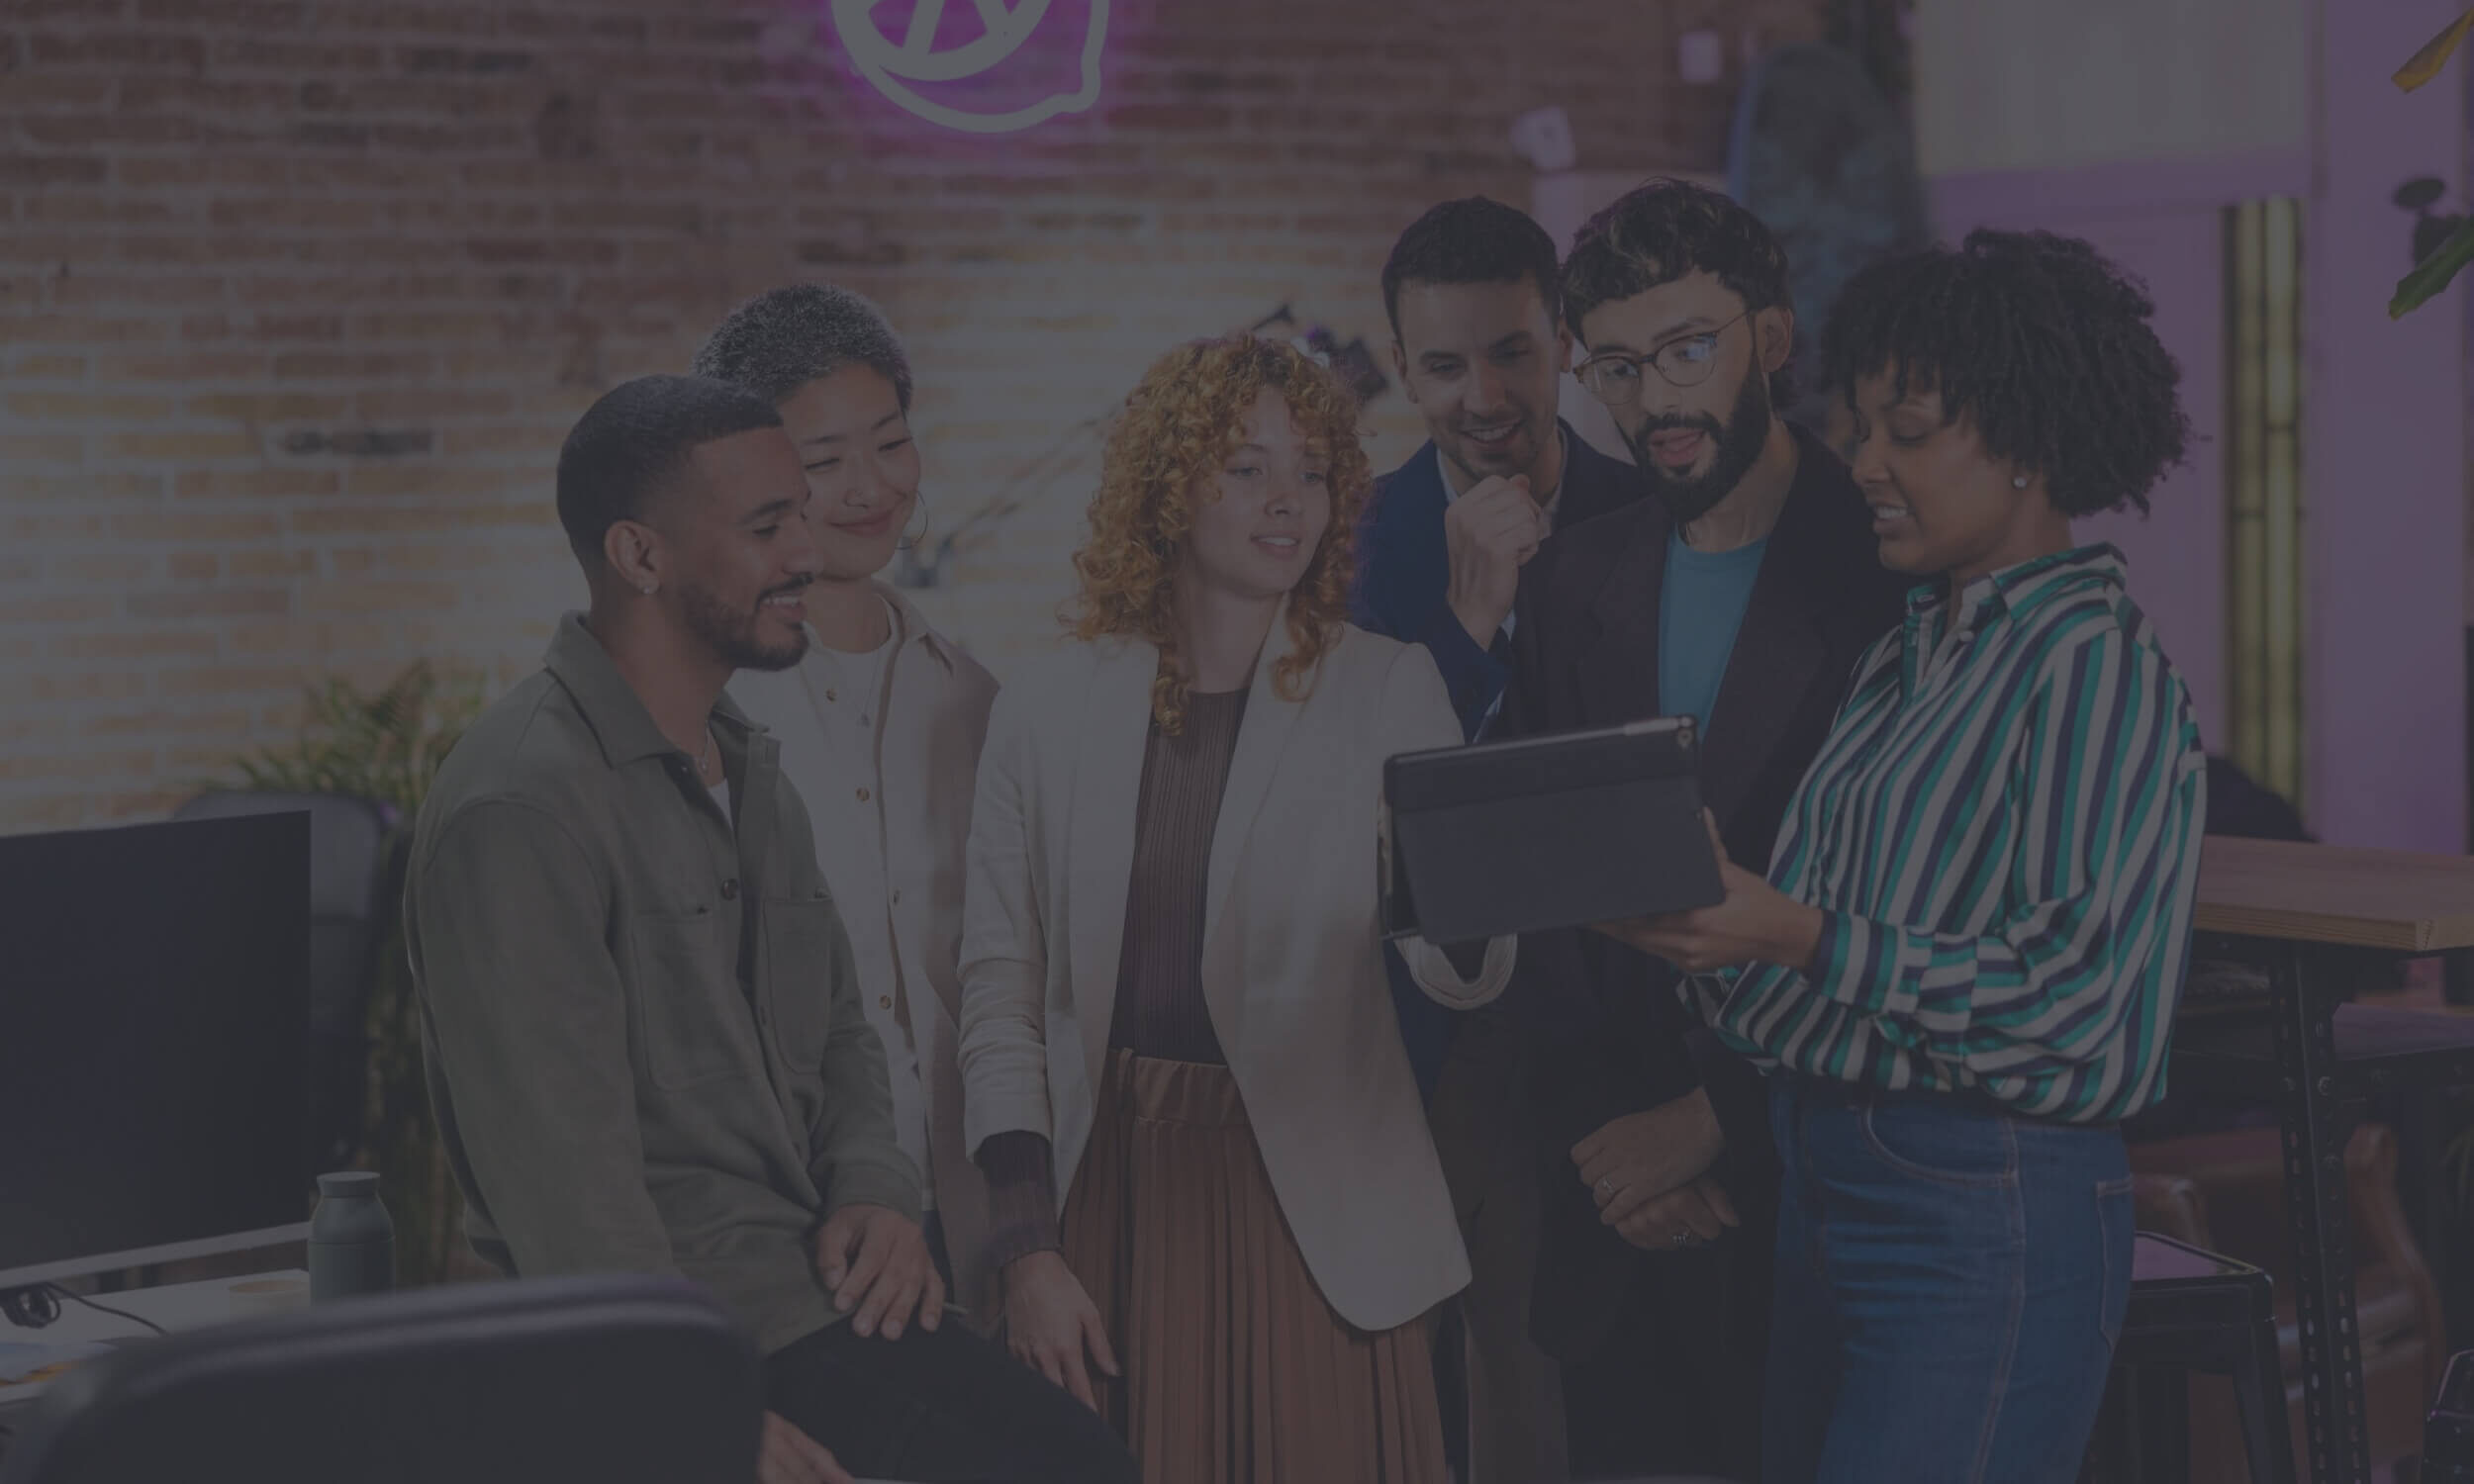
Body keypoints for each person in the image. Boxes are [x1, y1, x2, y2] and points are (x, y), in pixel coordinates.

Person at [402, 374, 1136, 1484]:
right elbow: (562, 1181)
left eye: (800, 511)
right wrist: (687, 1406)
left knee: (1083, 1457)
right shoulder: (521, 806)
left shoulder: (748, 769)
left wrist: (878, 1194)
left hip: (816, 1289)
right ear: (639, 557)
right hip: (690, 1331)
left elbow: (841, 1033)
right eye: (766, 525)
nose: (809, 550)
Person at [1605, 228, 2209, 1482]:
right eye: (1860, 425)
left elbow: (2082, 1014)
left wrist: (1796, 935)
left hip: (1985, 1206)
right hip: (1822, 1187)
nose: (1864, 463)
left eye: (1907, 429)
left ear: (2032, 445)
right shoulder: (1908, 656)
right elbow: (1826, 969)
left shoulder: (2088, 664)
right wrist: (1692, 930)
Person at [956, 334, 1517, 1483]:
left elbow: (1461, 967)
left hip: (1319, 1210)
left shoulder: (1385, 685)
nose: (1288, 503)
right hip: (1107, 1198)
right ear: (1167, 484)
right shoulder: (1045, 708)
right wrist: (1024, 1248)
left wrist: (1479, 884)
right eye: (1247, 467)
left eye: (1312, 472)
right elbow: (1000, 992)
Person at [1491, 177, 1912, 1480]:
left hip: (1820, 1194)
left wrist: (1714, 1117)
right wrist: (1613, 1144)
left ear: (1772, 341)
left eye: (1686, 351)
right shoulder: (1573, 577)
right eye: (1614, 367)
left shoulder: (1893, 569)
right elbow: (1536, 881)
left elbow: (1916, 912)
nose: (1651, 402)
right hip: (1613, 1210)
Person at [1353, 195, 1651, 1484]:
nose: (1481, 394)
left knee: (1609, 1398)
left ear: (1565, 344)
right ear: (1400, 369)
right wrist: (1470, 624)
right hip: (1434, 1039)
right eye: (1443, 364)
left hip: (1633, 1026)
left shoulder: (1652, 518)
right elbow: (1363, 810)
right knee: (1436, 1400)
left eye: (1511, 352)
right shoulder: (1351, 539)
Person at [693, 284, 1005, 1323]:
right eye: (821, 463)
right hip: (793, 1237)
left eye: (891, 444)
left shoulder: (973, 698)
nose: (869, 489)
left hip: (978, 1216)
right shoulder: (702, 709)